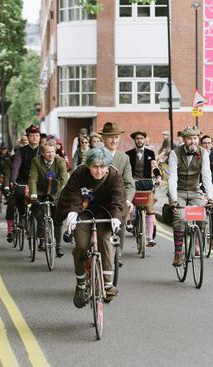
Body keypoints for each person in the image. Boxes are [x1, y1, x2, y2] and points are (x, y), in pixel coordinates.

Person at [58, 148, 126, 307]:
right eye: (95, 166)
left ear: (108, 166)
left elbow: (118, 197)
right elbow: (72, 194)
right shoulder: (79, 173)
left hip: (106, 213)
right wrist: (72, 213)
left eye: (102, 167)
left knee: (105, 240)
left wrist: (116, 217)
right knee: (81, 245)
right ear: (88, 165)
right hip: (83, 212)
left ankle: (108, 283)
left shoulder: (114, 175)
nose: (99, 170)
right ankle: (81, 284)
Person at [168, 127, 213, 266]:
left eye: (195, 138)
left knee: (202, 215)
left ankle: (196, 241)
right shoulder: (174, 153)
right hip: (179, 190)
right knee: (180, 218)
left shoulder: (203, 153)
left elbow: (206, 176)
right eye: (190, 139)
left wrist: (210, 196)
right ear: (184, 140)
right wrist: (174, 199)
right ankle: (178, 253)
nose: (193, 141)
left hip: (195, 190)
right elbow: (172, 177)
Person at [100, 122, 135, 264]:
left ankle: (117, 252)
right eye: (110, 137)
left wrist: (127, 200)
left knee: (120, 223)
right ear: (103, 138)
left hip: (118, 199)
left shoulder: (124, 158)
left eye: (116, 137)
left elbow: (129, 183)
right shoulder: (94, 154)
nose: (114, 140)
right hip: (98, 198)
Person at [29, 141, 69, 257]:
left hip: (56, 192)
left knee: (58, 218)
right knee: (37, 210)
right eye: (48, 152)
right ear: (42, 153)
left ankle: (58, 245)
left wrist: (59, 193)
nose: (50, 154)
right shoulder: (36, 161)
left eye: (52, 152)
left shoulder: (60, 161)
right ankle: (41, 231)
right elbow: (32, 179)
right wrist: (33, 194)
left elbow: (63, 179)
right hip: (40, 192)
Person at [125, 131, 160, 246]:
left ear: (145, 140)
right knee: (132, 205)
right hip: (133, 183)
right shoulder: (128, 154)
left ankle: (150, 238)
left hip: (146, 183)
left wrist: (158, 177)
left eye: (141, 138)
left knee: (149, 208)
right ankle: (132, 219)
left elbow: (154, 166)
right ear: (134, 140)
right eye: (137, 138)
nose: (139, 140)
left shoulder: (150, 153)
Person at [12, 124, 42, 217]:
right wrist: (13, 180)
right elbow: (16, 166)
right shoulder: (21, 151)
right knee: (19, 194)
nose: (34, 138)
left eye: (37, 135)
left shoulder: (43, 150)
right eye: (32, 135)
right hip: (24, 180)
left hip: (39, 180)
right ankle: (22, 215)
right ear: (28, 137)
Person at [200, 135, 213, 249]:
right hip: (199, 186)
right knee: (198, 209)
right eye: (204, 143)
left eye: (209, 143)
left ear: (212, 144)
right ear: (201, 144)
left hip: (212, 187)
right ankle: (197, 231)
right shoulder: (198, 155)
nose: (207, 145)